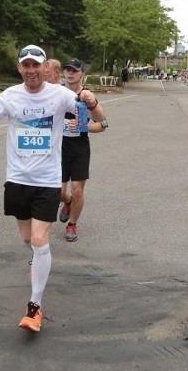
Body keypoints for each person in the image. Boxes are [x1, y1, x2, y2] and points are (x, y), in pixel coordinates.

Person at [0, 44, 105, 333]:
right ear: (19, 68)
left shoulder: (60, 95)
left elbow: (97, 119)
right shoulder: (10, 96)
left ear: (45, 68)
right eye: (26, 65)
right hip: (18, 180)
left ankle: (34, 307)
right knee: (27, 238)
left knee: (41, 239)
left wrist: (91, 102)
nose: (31, 70)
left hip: (46, 180)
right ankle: (37, 257)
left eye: (36, 65)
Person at [58, 58, 108, 242]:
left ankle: (72, 224)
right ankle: (67, 201)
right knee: (58, 192)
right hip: (59, 147)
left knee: (77, 190)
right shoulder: (56, 93)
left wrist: (82, 127)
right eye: (68, 70)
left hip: (79, 147)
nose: (70, 73)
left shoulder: (86, 97)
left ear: (82, 74)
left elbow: (102, 125)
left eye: (75, 70)